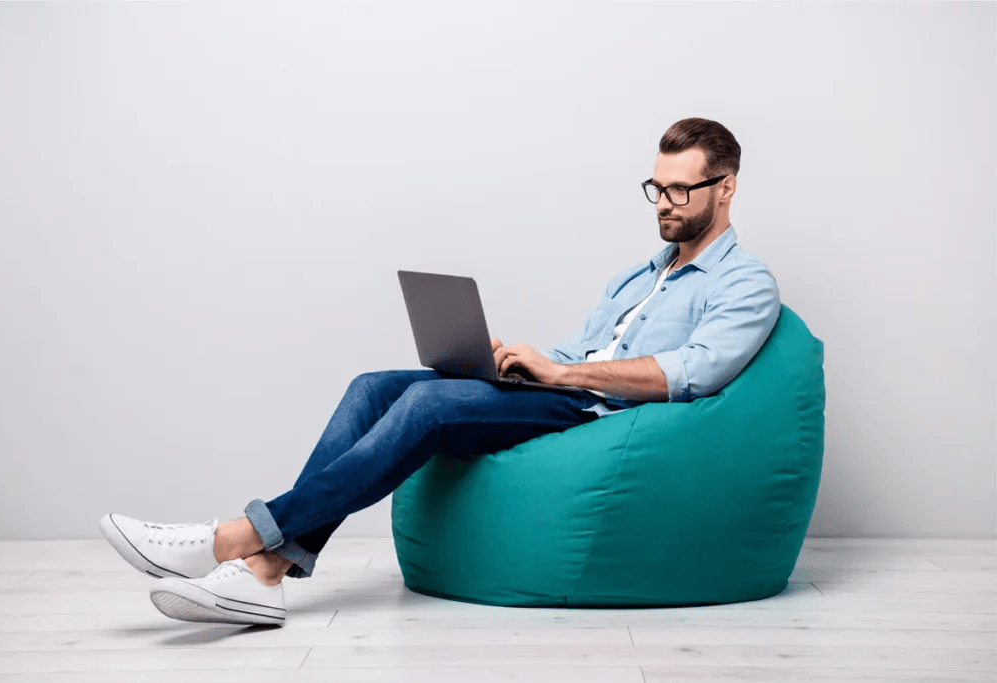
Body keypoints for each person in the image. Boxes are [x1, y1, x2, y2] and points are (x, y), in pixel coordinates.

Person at [100, 117, 780, 626]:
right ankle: (266, 572)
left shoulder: (746, 283)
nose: (663, 203)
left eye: (680, 190)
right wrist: (519, 363)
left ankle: (236, 538)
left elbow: (693, 374)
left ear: (727, 188)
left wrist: (559, 376)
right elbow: (582, 352)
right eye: (655, 187)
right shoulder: (640, 273)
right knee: (374, 386)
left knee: (429, 411)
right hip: (559, 389)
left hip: (597, 413)